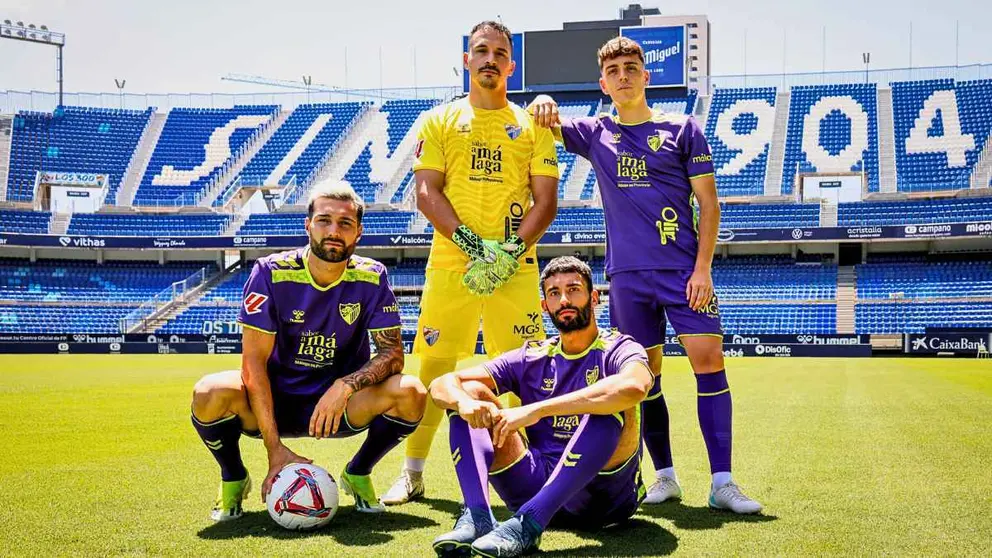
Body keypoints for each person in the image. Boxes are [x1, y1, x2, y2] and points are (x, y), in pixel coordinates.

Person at [528, 36, 762, 513]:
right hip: (627, 278)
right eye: (613, 71)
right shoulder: (594, 133)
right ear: (603, 83)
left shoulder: (683, 128)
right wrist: (543, 98)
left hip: (683, 272)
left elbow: (709, 204)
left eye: (631, 68)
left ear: (645, 75)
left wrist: (703, 269)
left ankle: (722, 483)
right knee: (643, 376)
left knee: (709, 362)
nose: (623, 76)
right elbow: (541, 118)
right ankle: (665, 476)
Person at [381, 20, 560, 505]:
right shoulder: (439, 119)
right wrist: (474, 245)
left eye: (499, 53)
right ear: (467, 60)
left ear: (511, 65)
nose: (490, 60)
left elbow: (546, 202)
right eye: (481, 51)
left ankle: (538, 473)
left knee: (527, 370)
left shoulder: (532, 126)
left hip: (515, 268)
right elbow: (426, 192)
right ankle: (413, 472)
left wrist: (508, 251)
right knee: (434, 367)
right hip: (451, 263)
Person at [190, 181, 427, 521]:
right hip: (273, 403)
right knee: (209, 392)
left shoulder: (373, 277)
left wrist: (344, 386)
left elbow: (393, 355)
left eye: (345, 223)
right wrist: (274, 448)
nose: (334, 231)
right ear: (308, 225)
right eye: (324, 220)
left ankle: (358, 472)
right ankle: (233, 477)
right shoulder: (270, 273)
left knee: (412, 392)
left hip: (338, 408)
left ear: (359, 232)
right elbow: (253, 364)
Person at [429, 256, 653, 557]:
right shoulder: (532, 356)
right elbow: (441, 384)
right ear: (545, 305)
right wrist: (464, 403)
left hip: (602, 497)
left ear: (594, 297)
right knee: (469, 391)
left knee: (609, 403)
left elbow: (636, 385)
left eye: (574, 289)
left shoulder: (619, 347)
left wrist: (536, 410)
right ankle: (477, 516)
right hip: (533, 484)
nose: (564, 300)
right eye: (554, 293)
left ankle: (530, 522)